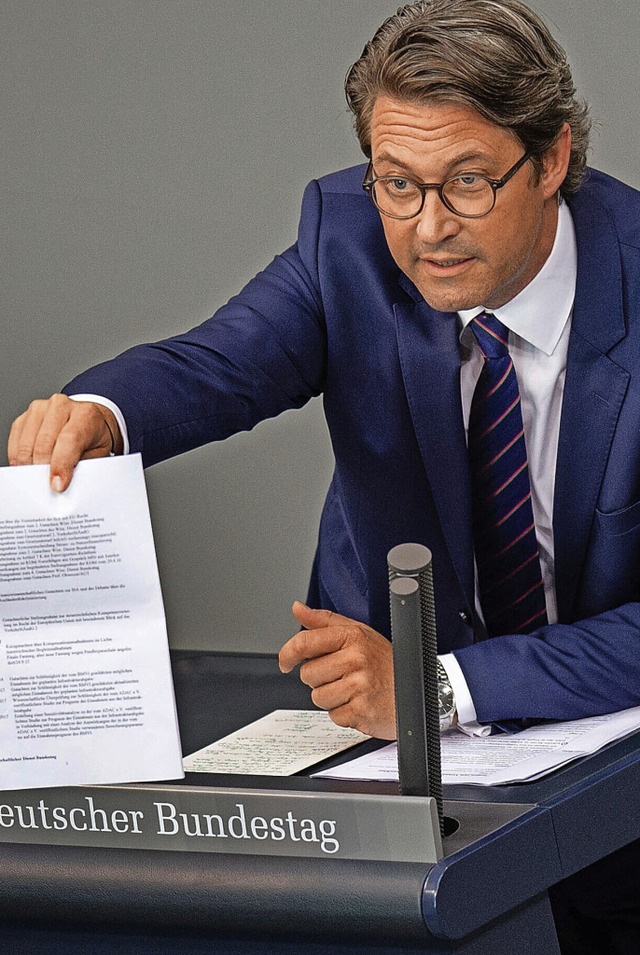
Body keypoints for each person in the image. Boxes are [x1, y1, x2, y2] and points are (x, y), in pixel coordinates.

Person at [8, 1, 640, 948]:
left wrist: (439, 687)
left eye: (467, 182)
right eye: (397, 184)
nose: (428, 228)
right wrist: (96, 417)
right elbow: (218, 363)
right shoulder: (346, 237)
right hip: (382, 758)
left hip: (601, 741)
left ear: (551, 159)